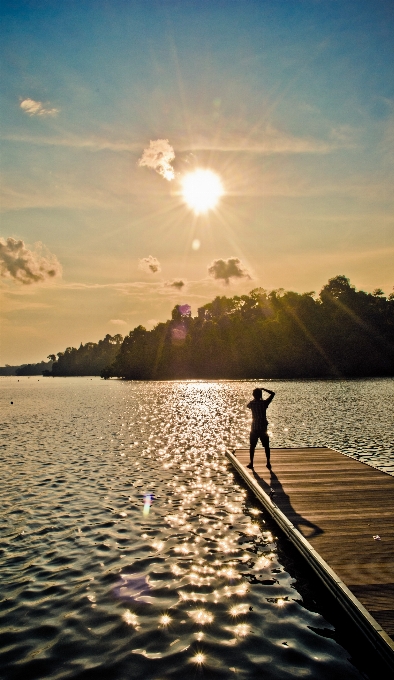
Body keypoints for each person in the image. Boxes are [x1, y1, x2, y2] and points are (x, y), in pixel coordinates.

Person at [246, 387, 275, 470]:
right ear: (260, 395)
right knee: (266, 446)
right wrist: (264, 389)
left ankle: (251, 463)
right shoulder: (264, 403)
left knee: (252, 446)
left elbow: (248, 406)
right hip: (263, 427)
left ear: (254, 395)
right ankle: (268, 462)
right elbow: (273, 394)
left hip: (254, 427)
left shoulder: (252, 403)